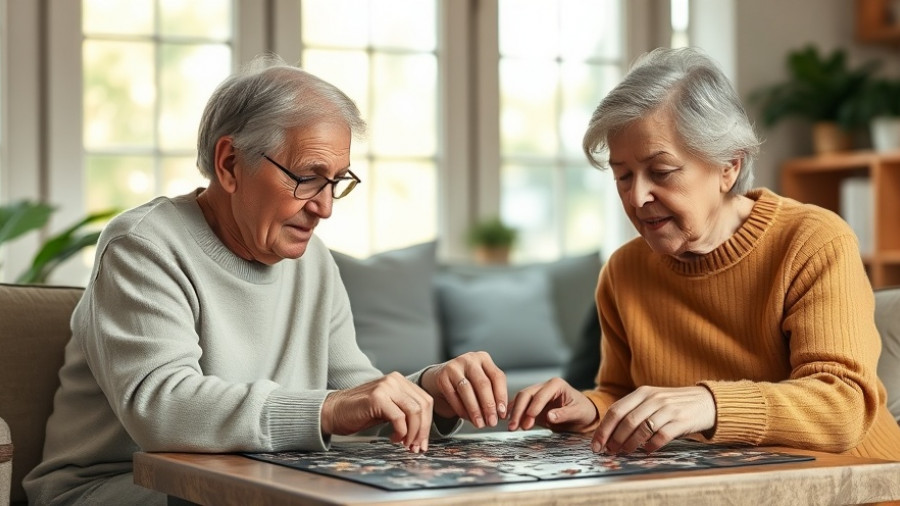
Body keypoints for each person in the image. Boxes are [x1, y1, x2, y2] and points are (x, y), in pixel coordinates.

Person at [24, 55, 508, 505]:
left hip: (259, 479)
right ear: (230, 164)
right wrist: (329, 410)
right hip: (119, 485)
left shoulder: (311, 259)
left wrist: (429, 393)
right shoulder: (143, 244)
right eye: (308, 177)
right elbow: (162, 408)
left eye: (337, 180)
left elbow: (355, 394)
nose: (325, 207)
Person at [507, 47, 900, 460]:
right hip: (724, 486)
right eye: (623, 175)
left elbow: (842, 407)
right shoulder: (624, 270)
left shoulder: (812, 241)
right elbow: (622, 393)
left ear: (728, 166)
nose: (637, 197)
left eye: (661, 172)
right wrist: (588, 408)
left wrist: (708, 404)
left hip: (855, 487)